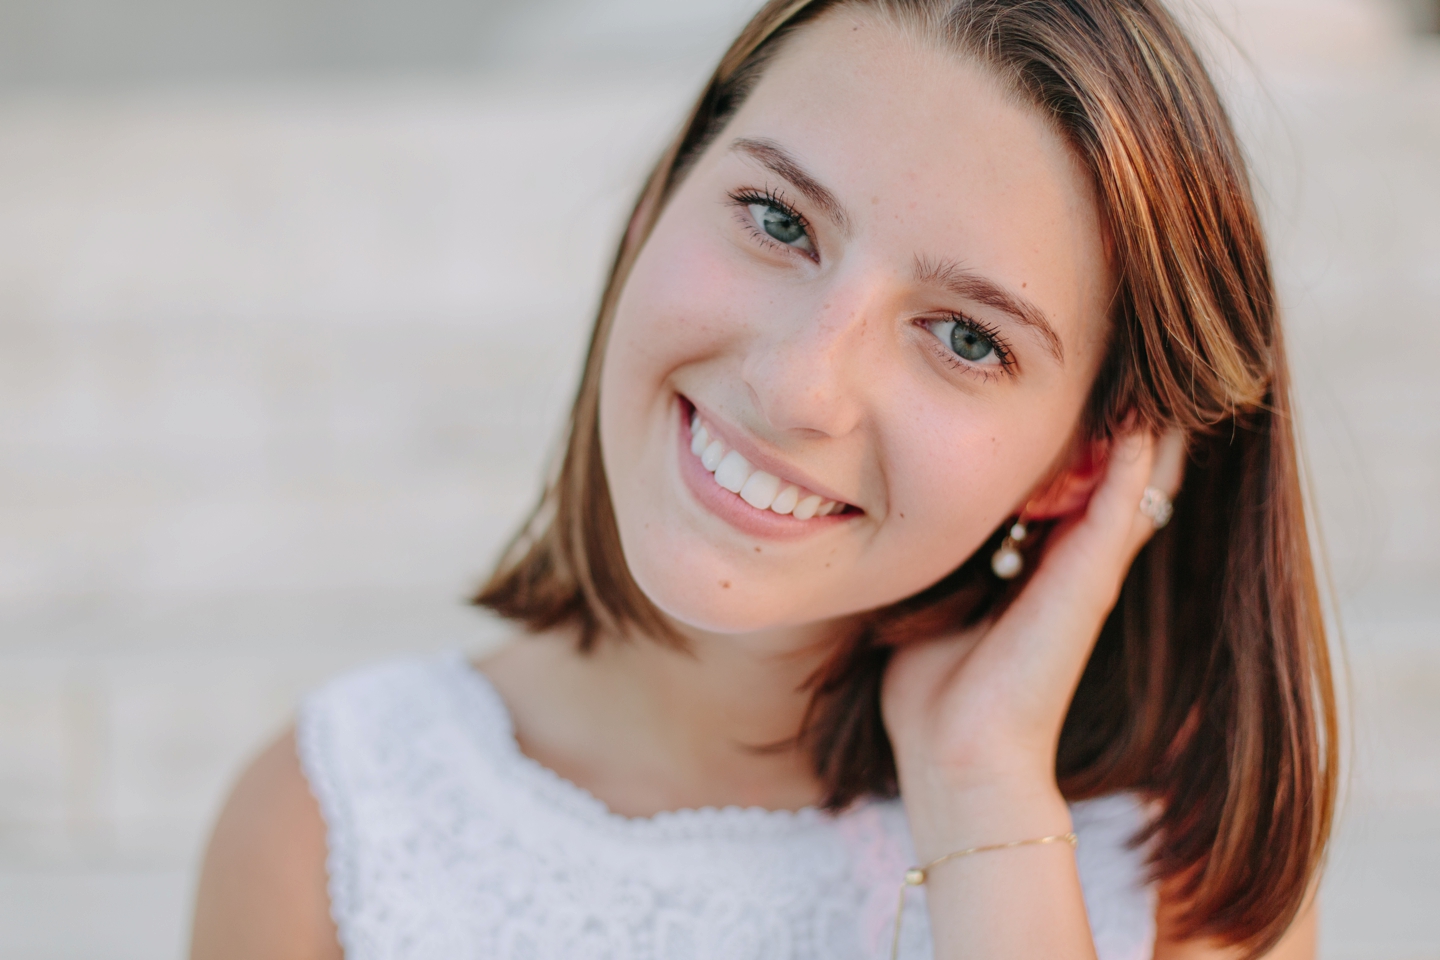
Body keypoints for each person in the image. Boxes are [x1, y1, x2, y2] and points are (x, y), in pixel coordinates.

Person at [189, 0, 1337, 957]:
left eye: (968, 338)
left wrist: (982, 799)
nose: (798, 387)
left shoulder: (1172, 872)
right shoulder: (333, 822)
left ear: (1078, 465)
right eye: (776, 218)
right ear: (654, 209)